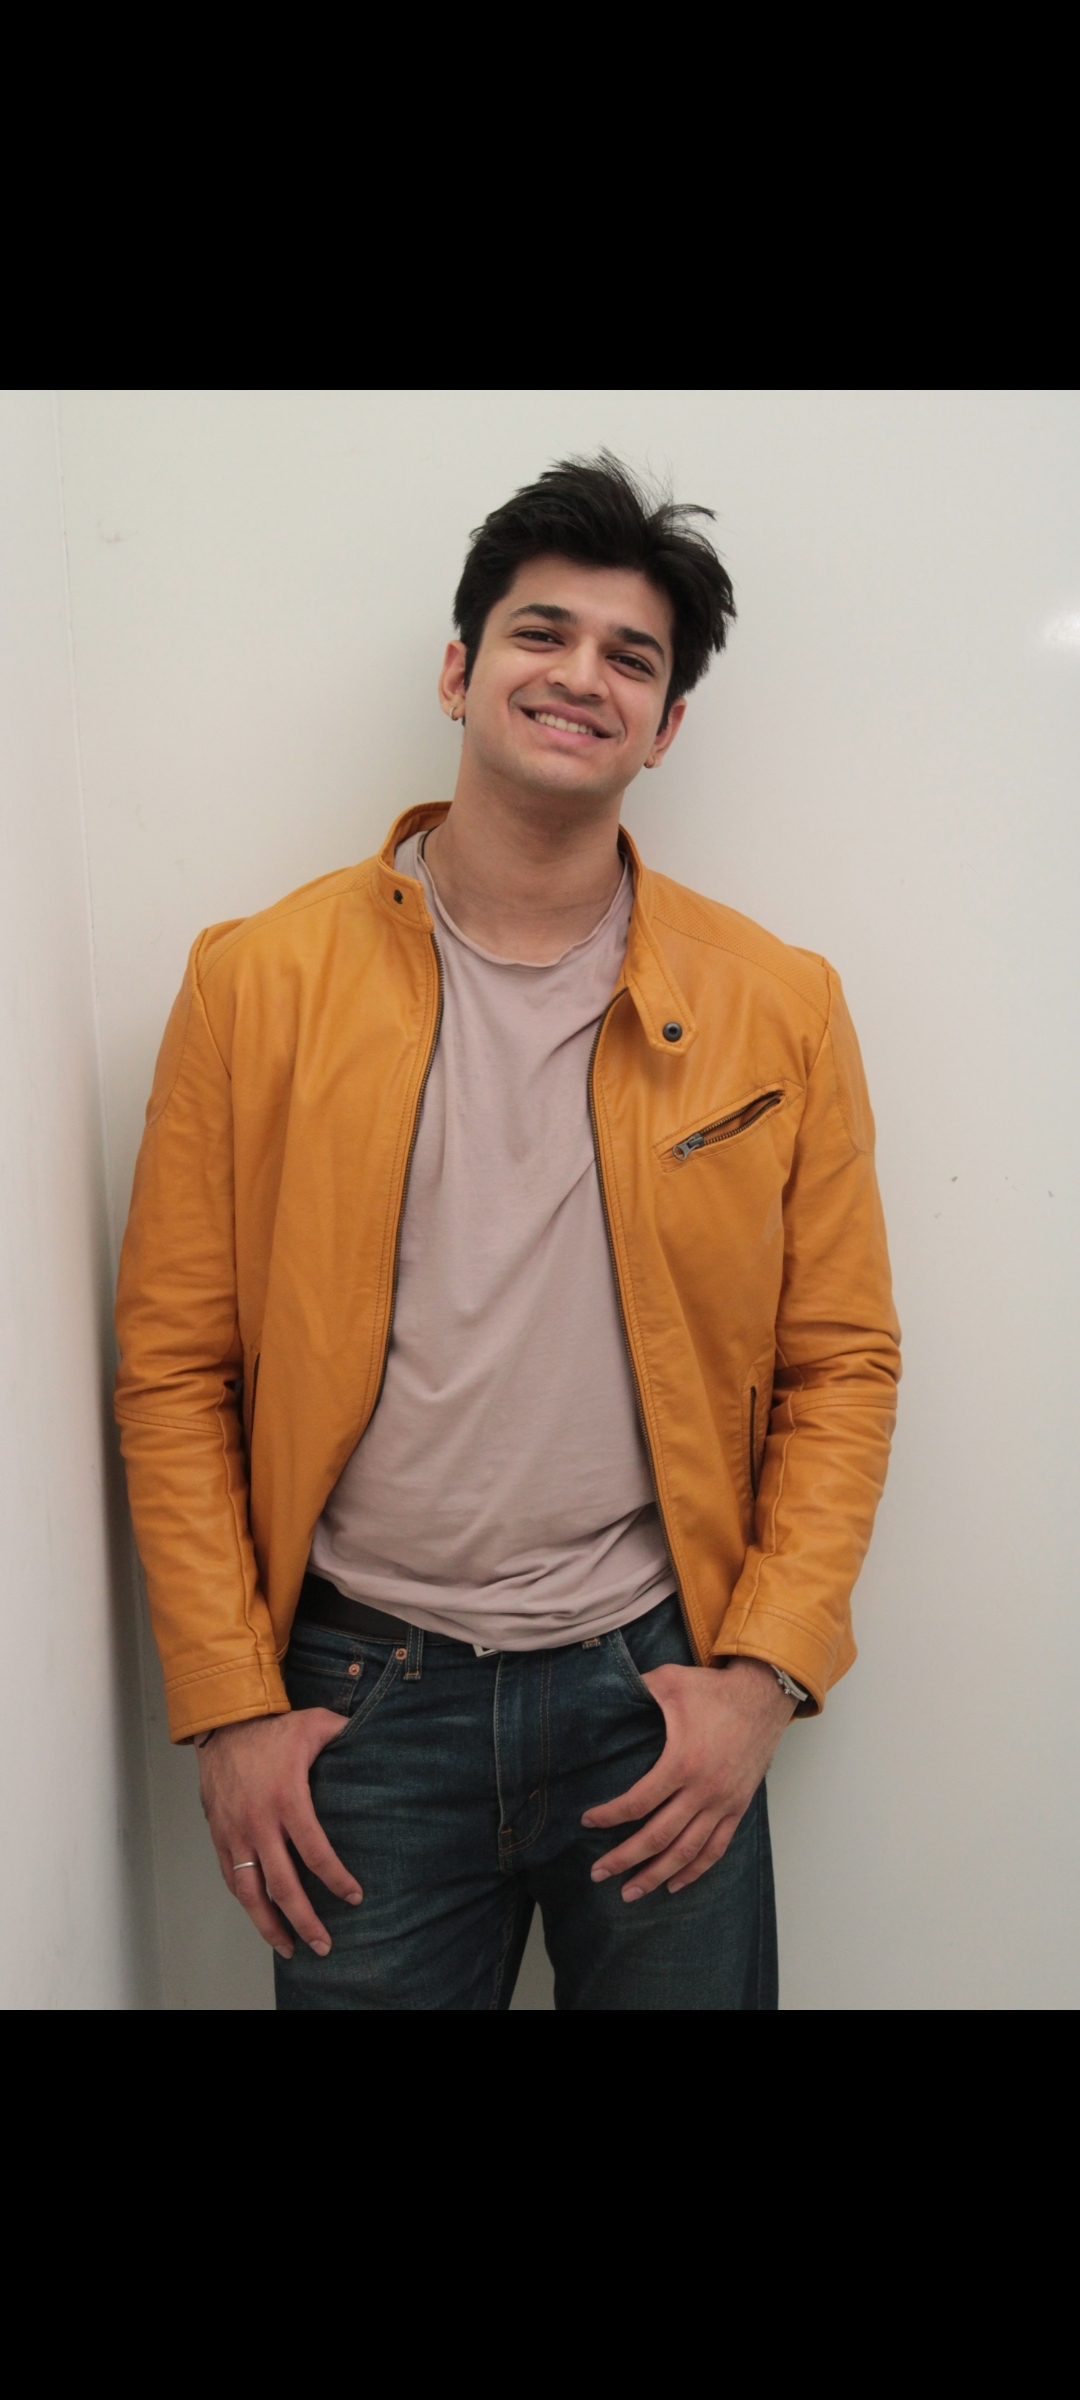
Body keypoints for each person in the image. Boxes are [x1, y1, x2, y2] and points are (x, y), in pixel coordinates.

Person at [115, 454, 900, 2010]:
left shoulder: (779, 1004)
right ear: (460, 671)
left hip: (652, 1694)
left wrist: (763, 1674)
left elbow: (843, 1365)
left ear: (665, 728)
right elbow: (175, 1368)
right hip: (357, 1703)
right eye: (543, 633)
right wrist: (227, 1700)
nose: (581, 676)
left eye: (632, 658)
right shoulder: (254, 982)